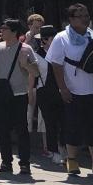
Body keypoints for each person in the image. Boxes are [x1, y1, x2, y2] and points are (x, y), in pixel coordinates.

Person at [45, 3, 93, 177]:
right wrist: (63, 88)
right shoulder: (62, 38)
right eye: (80, 16)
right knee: (73, 126)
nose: (85, 19)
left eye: (86, 15)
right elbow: (56, 65)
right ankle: (72, 160)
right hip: (75, 90)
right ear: (71, 19)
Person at [0, 19, 39, 177]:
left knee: (22, 130)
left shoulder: (25, 48)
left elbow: (36, 72)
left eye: (5, 28)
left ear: (14, 31)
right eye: (1, 27)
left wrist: (25, 64)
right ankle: (6, 162)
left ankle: (24, 163)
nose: (1, 31)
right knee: (2, 129)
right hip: (1, 94)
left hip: (19, 94)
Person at [34, 23, 64, 164]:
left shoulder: (61, 53)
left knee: (64, 122)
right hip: (44, 91)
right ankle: (54, 151)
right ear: (44, 40)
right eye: (52, 38)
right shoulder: (36, 55)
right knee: (50, 123)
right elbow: (33, 75)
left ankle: (64, 149)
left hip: (61, 90)